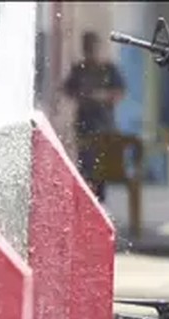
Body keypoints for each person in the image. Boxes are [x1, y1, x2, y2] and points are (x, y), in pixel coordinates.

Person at [62, 31, 125, 202]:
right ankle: (86, 198)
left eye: (93, 47)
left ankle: (100, 199)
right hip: (84, 123)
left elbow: (119, 92)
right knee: (85, 162)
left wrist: (102, 96)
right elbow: (67, 89)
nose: (91, 51)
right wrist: (82, 95)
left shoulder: (109, 69)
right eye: (87, 48)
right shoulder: (79, 69)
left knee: (102, 165)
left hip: (104, 124)